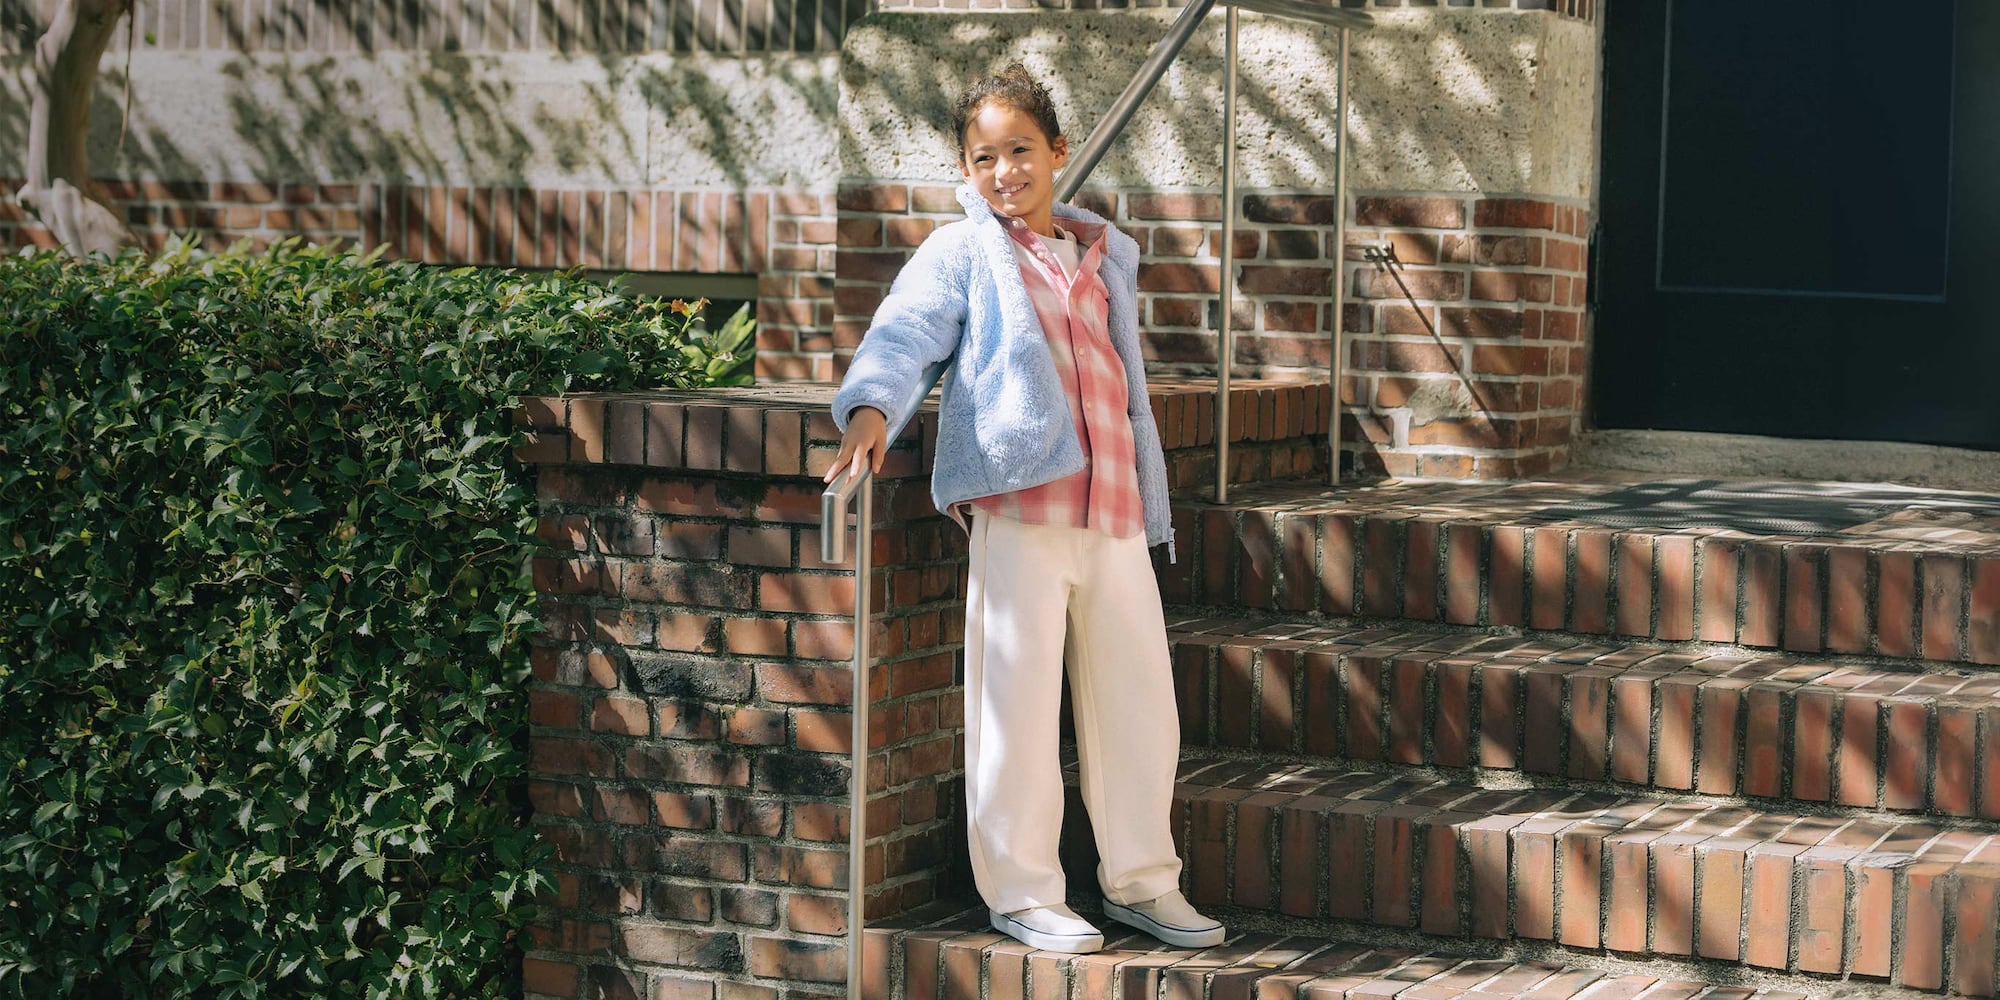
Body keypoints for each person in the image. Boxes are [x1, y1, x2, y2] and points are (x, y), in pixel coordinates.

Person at [823, 64, 1225, 955]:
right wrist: (868, 408)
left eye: (1019, 151)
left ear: (1057, 153)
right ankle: (1024, 892)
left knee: (1139, 707)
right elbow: (907, 330)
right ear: (965, 171)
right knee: (1015, 703)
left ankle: (1143, 884)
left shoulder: (1103, 253)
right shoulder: (964, 251)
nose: (1003, 171)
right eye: (983, 157)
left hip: (1115, 507)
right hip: (1020, 505)